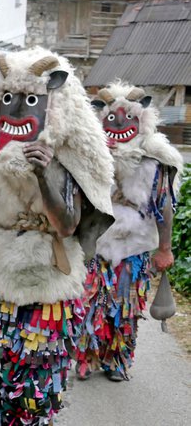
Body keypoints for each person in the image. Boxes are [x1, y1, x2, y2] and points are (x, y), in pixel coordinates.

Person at [0, 48, 114, 425]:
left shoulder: (64, 160)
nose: (15, 111)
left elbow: (67, 226)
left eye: (29, 101)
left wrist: (43, 176)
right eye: (7, 100)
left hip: (48, 285)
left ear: (50, 102)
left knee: (37, 387)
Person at [75, 82, 183, 382]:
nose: (120, 123)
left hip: (134, 249)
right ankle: (86, 358)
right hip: (95, 245)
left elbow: (164, 207)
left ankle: (117, 360)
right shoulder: (92, 157)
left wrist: (165, 248)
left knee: (126, 308)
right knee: (88, 305)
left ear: (141, 121)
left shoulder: (155, 162)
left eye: (128, 118)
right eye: (112, 118)